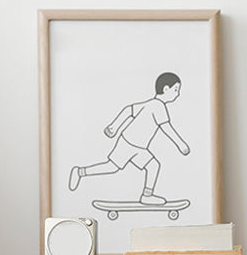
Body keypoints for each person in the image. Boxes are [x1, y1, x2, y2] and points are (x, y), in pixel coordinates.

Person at [69, 72, 190, 205]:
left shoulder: (151, 104)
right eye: (176, 90)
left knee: (151, 165)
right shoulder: (158, 106)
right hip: (129, 144)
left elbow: (128, 110)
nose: (177, 94)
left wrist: (114, 127)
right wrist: (181, 144)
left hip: (138, 147)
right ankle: (80, 172)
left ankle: (146, 196)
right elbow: (167, 128)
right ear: (166, 89)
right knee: (113, 167)